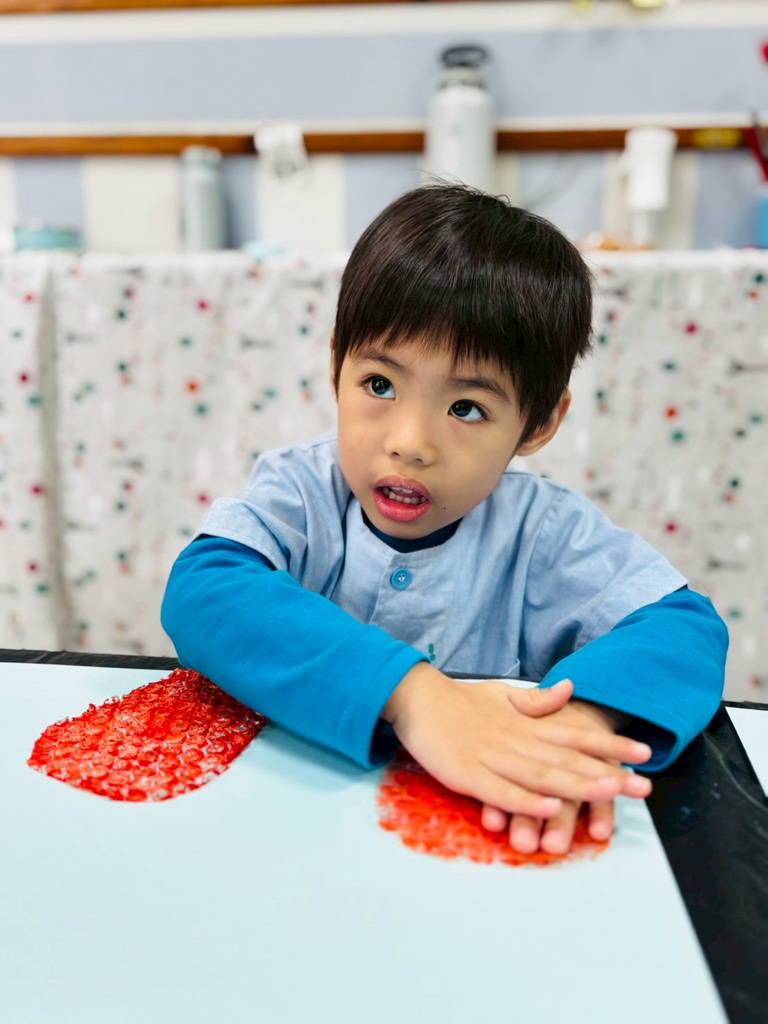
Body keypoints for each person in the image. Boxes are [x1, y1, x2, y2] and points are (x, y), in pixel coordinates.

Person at [161, 184, 727, 856]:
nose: (409, 443)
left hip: (473, 846)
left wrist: (581, 725)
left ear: (538, 423)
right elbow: (204, 589)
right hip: (294, 836)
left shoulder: (542, 531)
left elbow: (685, 628)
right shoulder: (301, 490)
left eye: (466, 408)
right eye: (379, 385)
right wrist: (413, 695)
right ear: (337, 364)